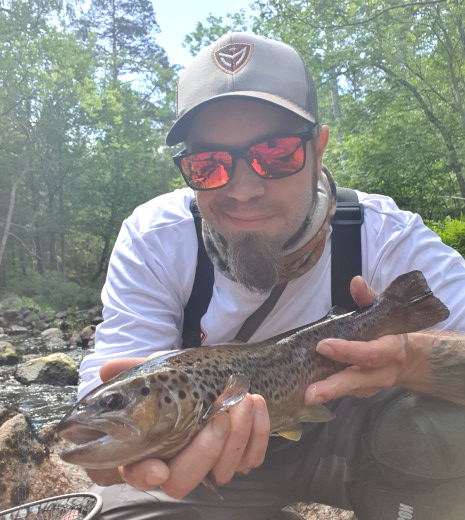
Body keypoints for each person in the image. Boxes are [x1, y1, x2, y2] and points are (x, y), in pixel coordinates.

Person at [79, 32, 465, 520]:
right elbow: (94, 441)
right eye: (208, 164)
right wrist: (131, 457)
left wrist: (410, 357)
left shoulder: (386, 236)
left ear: (319, 150)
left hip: (353, 448)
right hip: (205, 466)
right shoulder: (154, 238)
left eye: (276, 153)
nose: (243, 189)